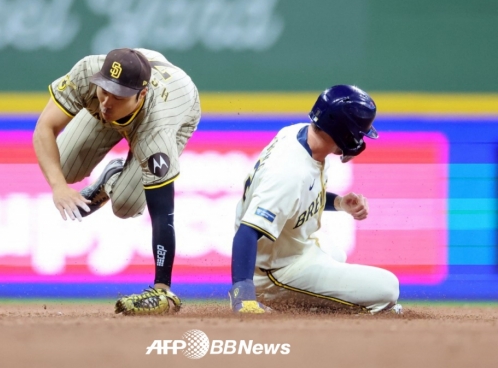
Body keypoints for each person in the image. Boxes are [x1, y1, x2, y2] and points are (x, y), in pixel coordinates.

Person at [33, 47, 200, 315]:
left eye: (118, 94)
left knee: (125, 205)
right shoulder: (89, 72)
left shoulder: (158, 129)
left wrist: (161, 287)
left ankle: (113, 179)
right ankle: (110, 171)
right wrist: (59, 187)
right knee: (59, 166)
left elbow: (162, 214)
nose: (107, 101)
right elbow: (44, 128)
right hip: (140, 87)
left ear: (141, 94)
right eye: (105, 89)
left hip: (176, 108)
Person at [228, 85, 402, 314]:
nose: (359, 138)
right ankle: (289, 302)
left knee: (336, 251)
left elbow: (298, 197)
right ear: (343, 131)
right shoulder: (289, 172)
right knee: (388, 288)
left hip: (294, 250)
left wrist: (339, 203)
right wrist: (244, 295)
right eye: (358, 132)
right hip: (276, 271)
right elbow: (247, 231)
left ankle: (313, 300)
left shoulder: (299, 134)